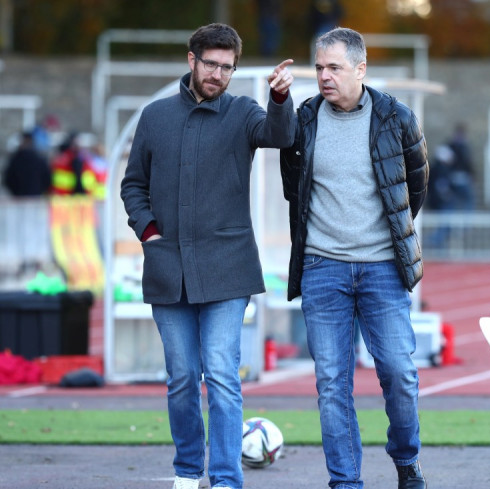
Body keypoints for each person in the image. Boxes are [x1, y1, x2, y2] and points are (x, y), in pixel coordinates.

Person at [120, 23, 295, 489]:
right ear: (192, 60)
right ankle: (186, 472)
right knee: (181, 376)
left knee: (220, 373)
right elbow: (133, 185)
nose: (218, 74)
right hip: (168, 267)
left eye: (227, 67)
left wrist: (280, 97)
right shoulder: (155, 116)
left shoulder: (244, 112)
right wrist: (149, 232)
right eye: (211, 64)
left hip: (228, 267)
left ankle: (224, 479)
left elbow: (280, 135)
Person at [280, 27, 428, 489]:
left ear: (360, 69)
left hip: (383, 267)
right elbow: (293, 189)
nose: (324, 76)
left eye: (335, 68)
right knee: (331, 384)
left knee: (400, 373)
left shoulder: (396, 118)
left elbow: (415, 186)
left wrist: (384, 236)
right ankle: (345, 482)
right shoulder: (305, 120)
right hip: (322, 267)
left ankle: (406, 461)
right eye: (319, 68)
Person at [3, 130, 51, 197]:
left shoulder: (15, 159)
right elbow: (47, 179)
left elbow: (8, 179)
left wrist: (16, 192)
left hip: (20, 197)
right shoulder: (39, 159)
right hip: (35, 197)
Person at [446, 122, 475, 211]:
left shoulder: (465, 147)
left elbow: (468, 163)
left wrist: (471, 175)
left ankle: (467, 219)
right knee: (452, 200)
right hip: (453, 176)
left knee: (467, 200)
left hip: (464, 176)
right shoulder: (450, 146)